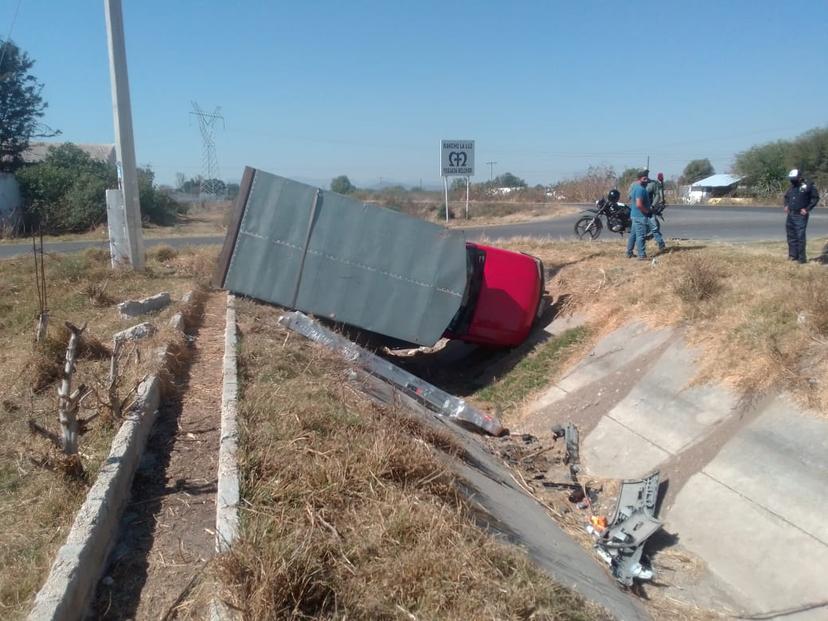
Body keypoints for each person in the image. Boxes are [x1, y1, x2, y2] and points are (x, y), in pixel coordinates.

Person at [626, 171, 666, 259]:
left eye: (647, 178)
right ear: (639, 179)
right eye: (644, 178)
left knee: (633, 235)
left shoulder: (636, 188)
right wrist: (647, 211)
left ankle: (629, 253)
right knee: (641, 236)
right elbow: (639, 204)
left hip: (635, 215)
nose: (646, 180)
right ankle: (642, 255)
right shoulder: (640, 189)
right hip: (640, 215)